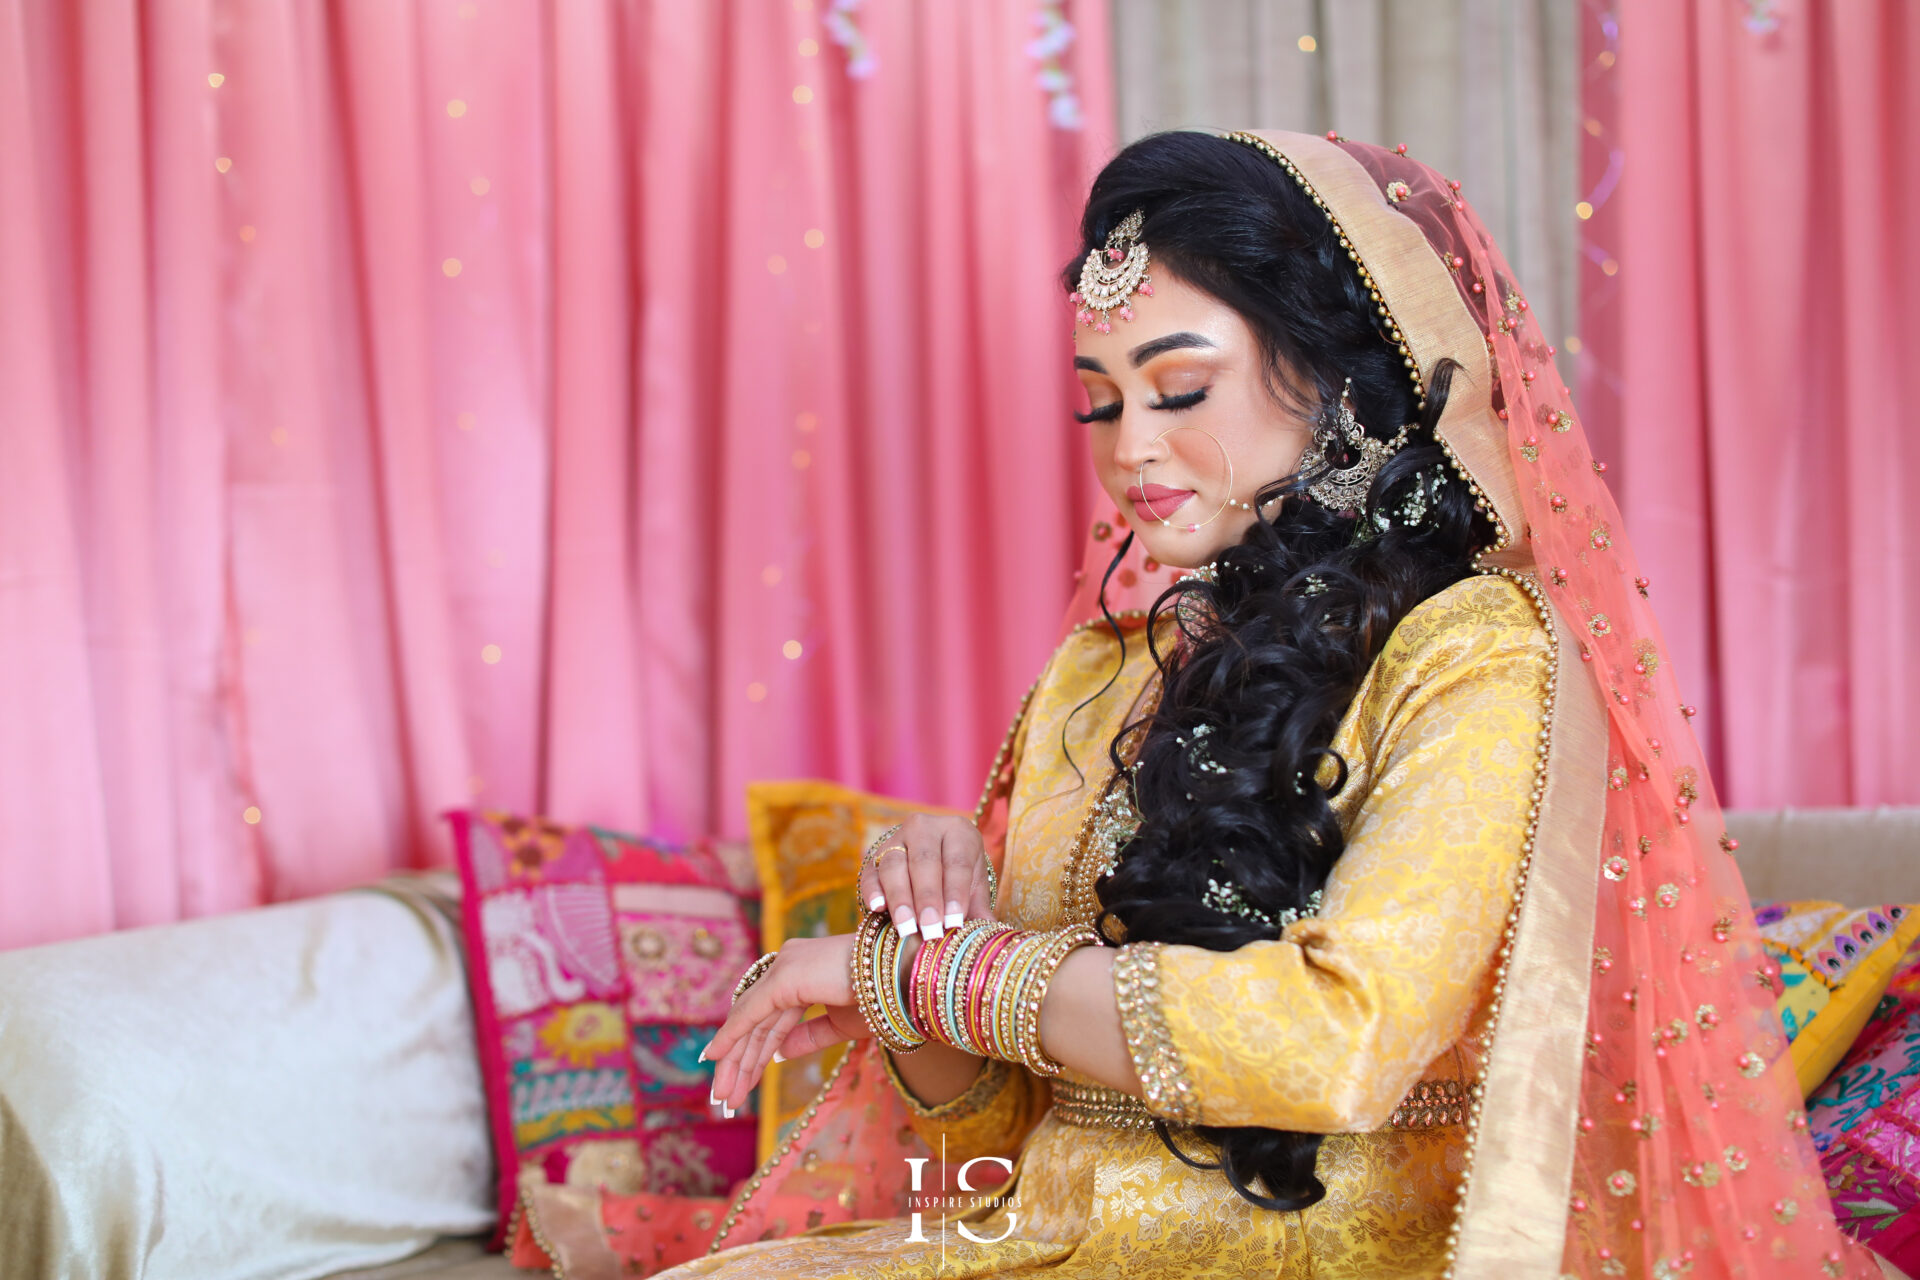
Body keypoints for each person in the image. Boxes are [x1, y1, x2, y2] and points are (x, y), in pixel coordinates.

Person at [613, 129, 1873, 1278]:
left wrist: (935, 976)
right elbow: (988, 1120)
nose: (1128, 450)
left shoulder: (1474, 654)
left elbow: (1336, 1038)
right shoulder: (1106, 666)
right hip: (1028, 1242)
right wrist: (917, 937)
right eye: (1101, 400)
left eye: (1176, 388)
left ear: (1335, 377)